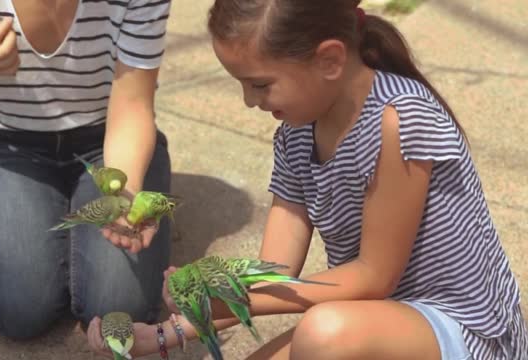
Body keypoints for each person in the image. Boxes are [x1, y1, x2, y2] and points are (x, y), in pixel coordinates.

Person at [87, 0, 528, 359]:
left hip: (462, 330)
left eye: (260, 85)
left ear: (330, 59)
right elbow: (272, 273)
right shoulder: (297, 134)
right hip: (376, 319)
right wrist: (168, 333)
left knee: (325, 333)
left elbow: (375, 276)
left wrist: (237, 299)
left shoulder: (400, 119)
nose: (248, 101)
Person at [0, 0, 173, 339]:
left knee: (119, 310)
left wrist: (127, 192)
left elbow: (133, 103)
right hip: (5, 141)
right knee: (18, 311)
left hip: (106, 137)